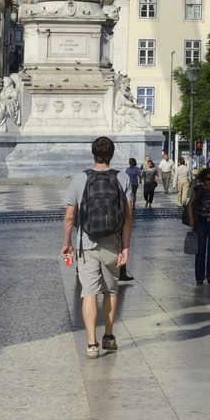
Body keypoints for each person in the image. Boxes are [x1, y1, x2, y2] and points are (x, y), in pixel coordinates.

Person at [63, 136, 134, 359]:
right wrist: (125, 247)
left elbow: (69, 217)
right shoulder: (122, 177)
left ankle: (92, 343)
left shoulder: (79, 178)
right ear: (112, 154)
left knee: (89, 292)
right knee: (111, 290)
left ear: (93, 154)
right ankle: (109, 336)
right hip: (113, 242)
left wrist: (67, 244)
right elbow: (128, 217)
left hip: (87, 242)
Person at [185, 168, 210, 285]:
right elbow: (189, 204)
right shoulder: (199, 189)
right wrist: (191, 219)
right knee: (200, 250)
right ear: (203, 179)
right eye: (207, 179)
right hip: (200, 223)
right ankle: (199, 277)